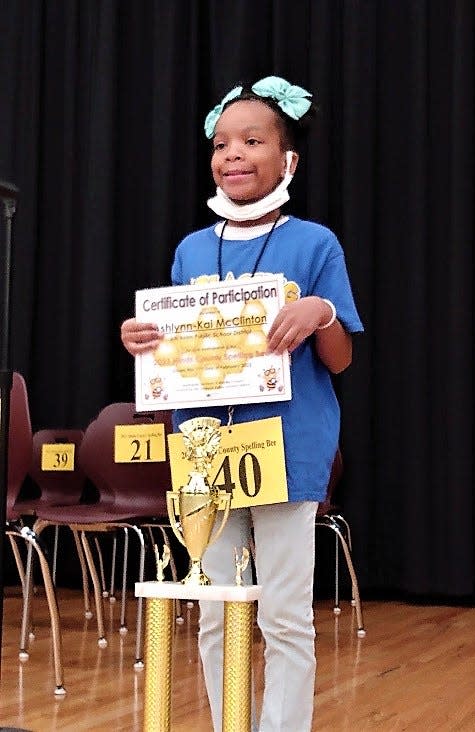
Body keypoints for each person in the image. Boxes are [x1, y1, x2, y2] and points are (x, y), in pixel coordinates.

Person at [121, 75, 363, 732]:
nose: (233, 154)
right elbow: (172, 350)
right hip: (206, 456)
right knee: (215, 608)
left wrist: (321, 312)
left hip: (288, 448)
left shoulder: (316, 244)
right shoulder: (191, 250)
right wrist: (142, 339)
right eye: (222, 143)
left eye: (252, 140)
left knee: (283, 614)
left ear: (287, 160)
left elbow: (339, 359)